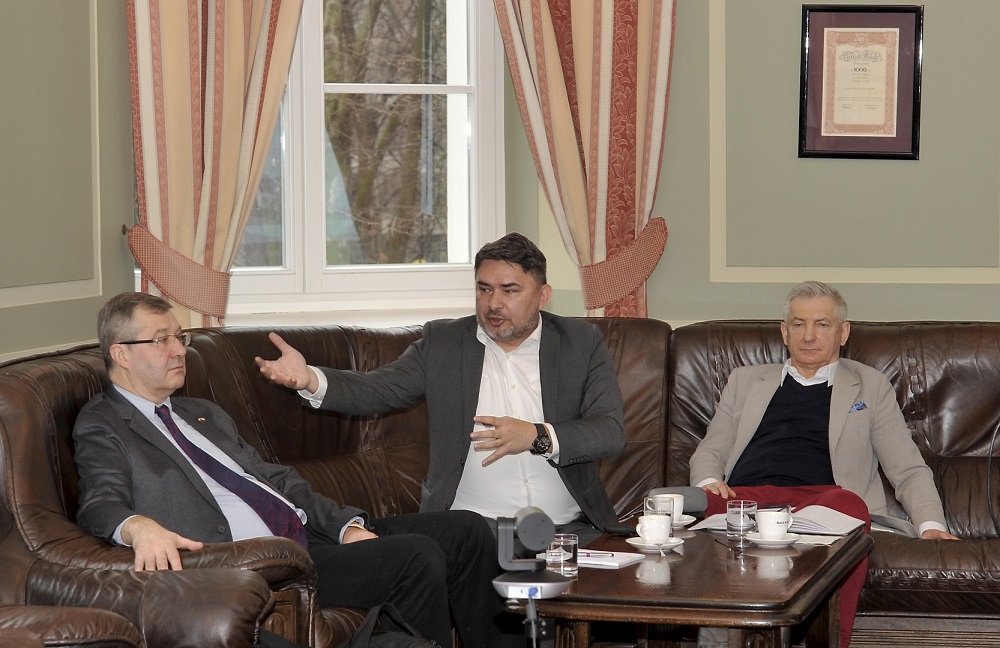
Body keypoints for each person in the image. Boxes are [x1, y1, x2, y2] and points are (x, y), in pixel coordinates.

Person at [73, 292, 512, 648]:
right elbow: (99, 502)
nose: (178, 350)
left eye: (179, 337)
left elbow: (277, 480)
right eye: (161, 340)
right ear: (121, 354)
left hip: (312, 535)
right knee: (416, 556)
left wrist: (345, 527)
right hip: (265, 562)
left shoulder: (200, 413)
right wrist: (139, 526)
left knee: (466, 530)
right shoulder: (103, 424)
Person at [255, 232, 628, 550]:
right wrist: (311, 379)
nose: (493, 304)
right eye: (484, 289)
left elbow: (609, 431)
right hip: (474, 532)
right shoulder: (444, 343)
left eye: (509, 290)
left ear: (543, 295)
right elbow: (379, 388)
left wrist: (536, 435)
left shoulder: (581, 342)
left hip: (570, 530)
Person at [689, 280, 958, 647]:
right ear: (784, 332)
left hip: (822, 505)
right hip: (746, 503)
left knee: (851, 507)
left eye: (822, 324)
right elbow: (709, 451)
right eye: (798, 324)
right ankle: (717, 634)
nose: (808, 336)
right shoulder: (745, 381)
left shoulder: (869, 385)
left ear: (843, 333)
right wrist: (708, 482)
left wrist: (931, 526)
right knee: (677, 504)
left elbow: (907, 468)